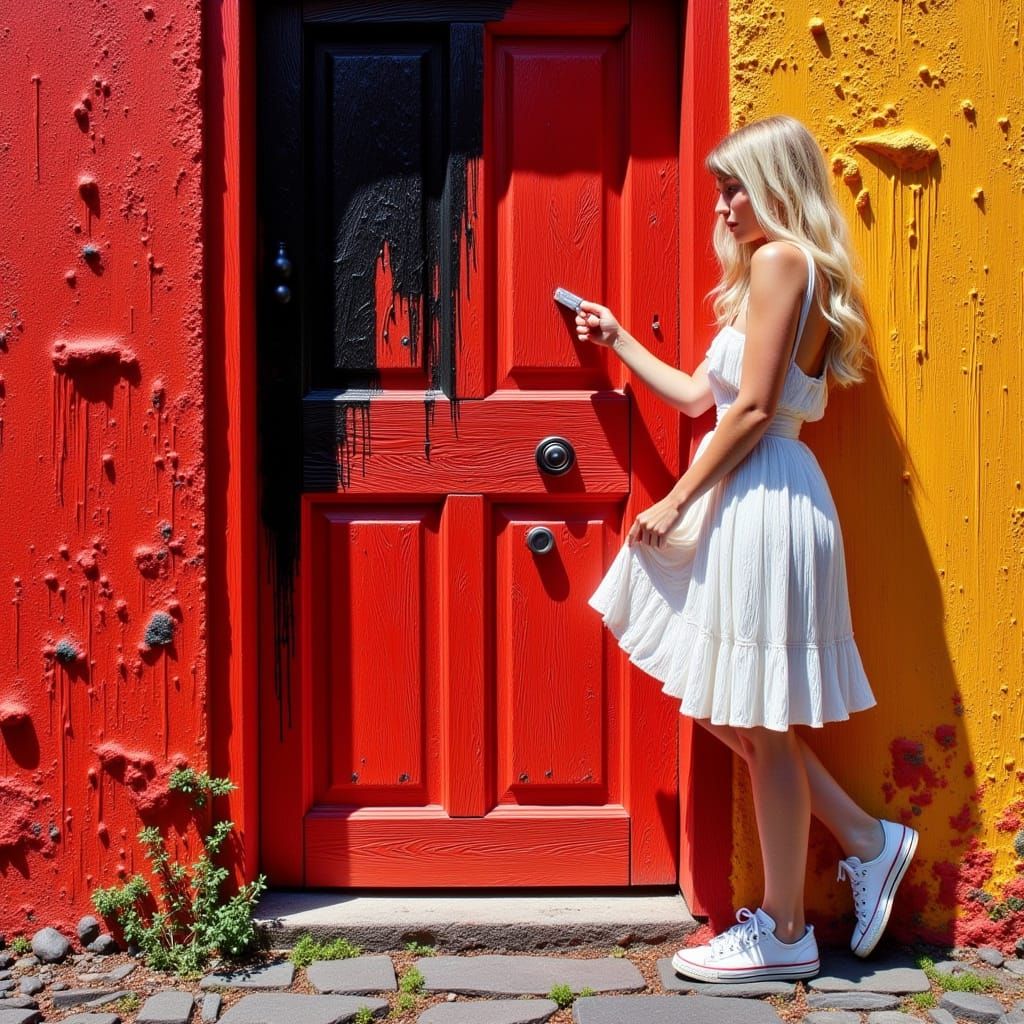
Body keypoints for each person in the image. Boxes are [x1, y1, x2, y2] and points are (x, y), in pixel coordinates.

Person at [581, 115, 917, 983]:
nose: (723, 206)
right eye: (720, 190)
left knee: (759, 721)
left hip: (762, 494)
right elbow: (704, 396)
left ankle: (785, 932)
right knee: (735, 707)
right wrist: (620, 340)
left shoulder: (781, 263)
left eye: (735, 188)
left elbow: (758, 410)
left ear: (775, 186)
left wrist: (677, 499)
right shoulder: (778, 270)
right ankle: (867, 840)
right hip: (756, 493)